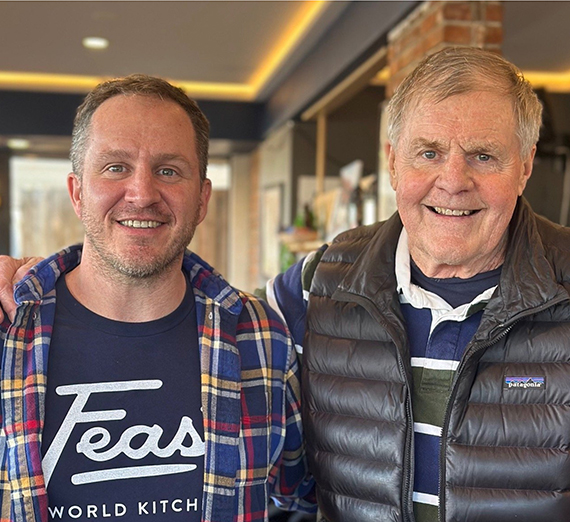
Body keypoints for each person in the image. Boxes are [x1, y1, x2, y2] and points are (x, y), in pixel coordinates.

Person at [257, 47, 570, 522]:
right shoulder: (315, 284)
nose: (453, 181)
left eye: (483, 156)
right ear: (393, 161)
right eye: (429, 152)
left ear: (525, 166)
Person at [0, 75, 315, 522]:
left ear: (201, 199)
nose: (143, 194)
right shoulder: (8, 328)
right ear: (77, 192)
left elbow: (304, 497)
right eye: (115, 167)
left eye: (169, 170)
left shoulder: (260, 338)